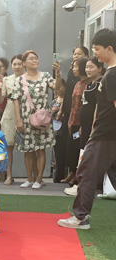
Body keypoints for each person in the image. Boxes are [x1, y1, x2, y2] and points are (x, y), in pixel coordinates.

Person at [58, 28, 116, 230]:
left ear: (109, 48)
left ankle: (80, 217)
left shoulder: (112, 75)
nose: (95, 53)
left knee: (86, 172)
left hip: (105, 136)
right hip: (104, 135)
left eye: (97, 49)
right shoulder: (110, 73)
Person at [11, 50, 62, 189]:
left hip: (43, 119)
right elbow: (15, 100)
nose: (35, 61)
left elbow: (57, 88)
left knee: (40, 149)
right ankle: (29, 178)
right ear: (24, 63)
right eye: (31, 59)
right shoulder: (19, 80)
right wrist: (18, 120)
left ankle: (39, 179)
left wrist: (57, 74)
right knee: (27, 150)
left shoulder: (45, 76)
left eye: (36, 58)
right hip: (26, 118)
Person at [55, 46, 89, 182]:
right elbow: (66, 94)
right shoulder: (72, 74)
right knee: (68, 144)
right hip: (70, 114)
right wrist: (62, 110)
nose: (75, 56)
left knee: (77, 145)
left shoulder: (87, 81)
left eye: (79, 54)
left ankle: (77, 174)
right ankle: (71, 172)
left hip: (81, 118)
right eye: (74, 54)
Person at [0, 54, 23, 185]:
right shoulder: (7, 79)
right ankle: (9, 175)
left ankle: (33, 177)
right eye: (14, 64)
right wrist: (0, 88)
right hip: (9, 114)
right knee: (9, 146)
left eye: (19, 63)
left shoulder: (29, 78)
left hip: (26, 113)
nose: (17, 66)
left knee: (31, 147)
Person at [64, 56, 90, 185]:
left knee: (79, 149)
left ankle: (78, 175)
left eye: (76, 66)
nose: (73, 69)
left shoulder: (88, 84)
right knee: (71, 149)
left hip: (82, 123)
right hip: (73, 120)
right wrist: (69, 121)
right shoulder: (77, 83)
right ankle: (72, 173)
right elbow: (73, 104)